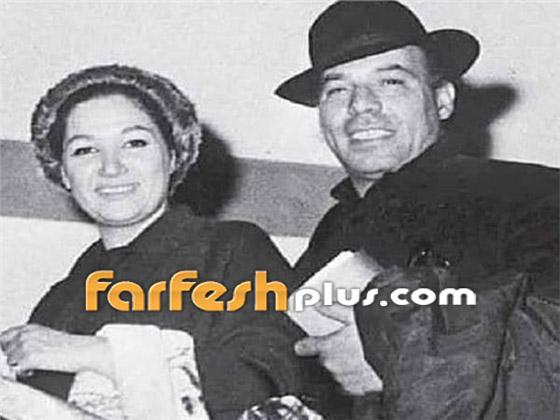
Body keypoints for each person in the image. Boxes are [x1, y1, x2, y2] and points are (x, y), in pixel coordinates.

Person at [275, 1, 559, 419]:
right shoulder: (333, 231)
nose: (361, 105)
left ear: (442, 100)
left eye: (391, 82)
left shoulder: (534, 195)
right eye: (337, 89)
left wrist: (394, 358)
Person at [0, 64, 308, 420]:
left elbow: (270, 382)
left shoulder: (232, 249)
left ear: (173, 155)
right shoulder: (60, 300)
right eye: (85, 150)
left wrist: (98, 355)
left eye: (135, 143)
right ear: (63, 173)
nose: (111, 167)